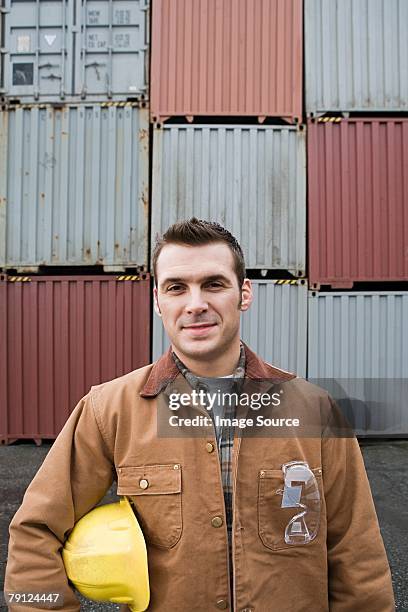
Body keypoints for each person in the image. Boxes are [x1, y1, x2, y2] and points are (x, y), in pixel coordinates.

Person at [5, 218, 395, 611]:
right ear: (159, 301)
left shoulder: (315, 410)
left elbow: (357, 553)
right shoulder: (109, 410)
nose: (195, 304)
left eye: (213, 284)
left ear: (244, 294)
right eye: (177, 287)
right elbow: (36, 532)